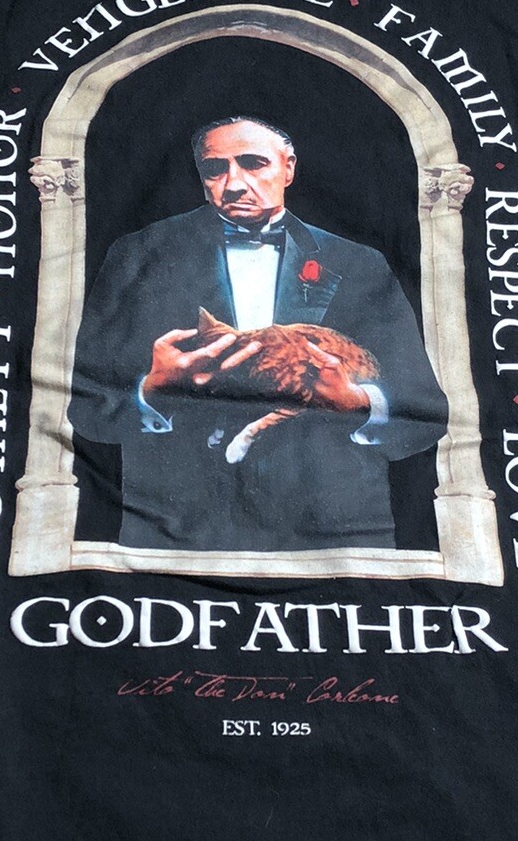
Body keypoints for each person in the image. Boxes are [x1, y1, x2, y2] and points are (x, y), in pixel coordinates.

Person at [68, 115, 449, 552]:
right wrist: (151, 391)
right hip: (176, 529)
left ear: (288, 168)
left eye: (253, 163)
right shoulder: (139, 255)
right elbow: (85, 408)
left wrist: (357, 402)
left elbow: (424, 411)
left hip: (333, 530)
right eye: (216, 169)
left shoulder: (359, 263)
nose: (234, 183)